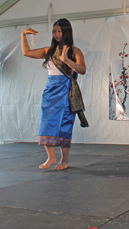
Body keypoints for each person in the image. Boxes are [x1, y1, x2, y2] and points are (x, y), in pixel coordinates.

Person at [21, 19, 87, 170]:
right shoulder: (48, 51)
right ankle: (51, 157)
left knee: (64, 124)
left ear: (67, 32)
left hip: (67, 92)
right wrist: (23, 34)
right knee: (46, 123)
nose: (57, 34)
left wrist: (67, 60)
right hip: (50, 91)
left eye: (60, 31)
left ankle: (64, 160)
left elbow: (82, 70)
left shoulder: (74, 51)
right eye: (54, 31)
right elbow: (27, 52)